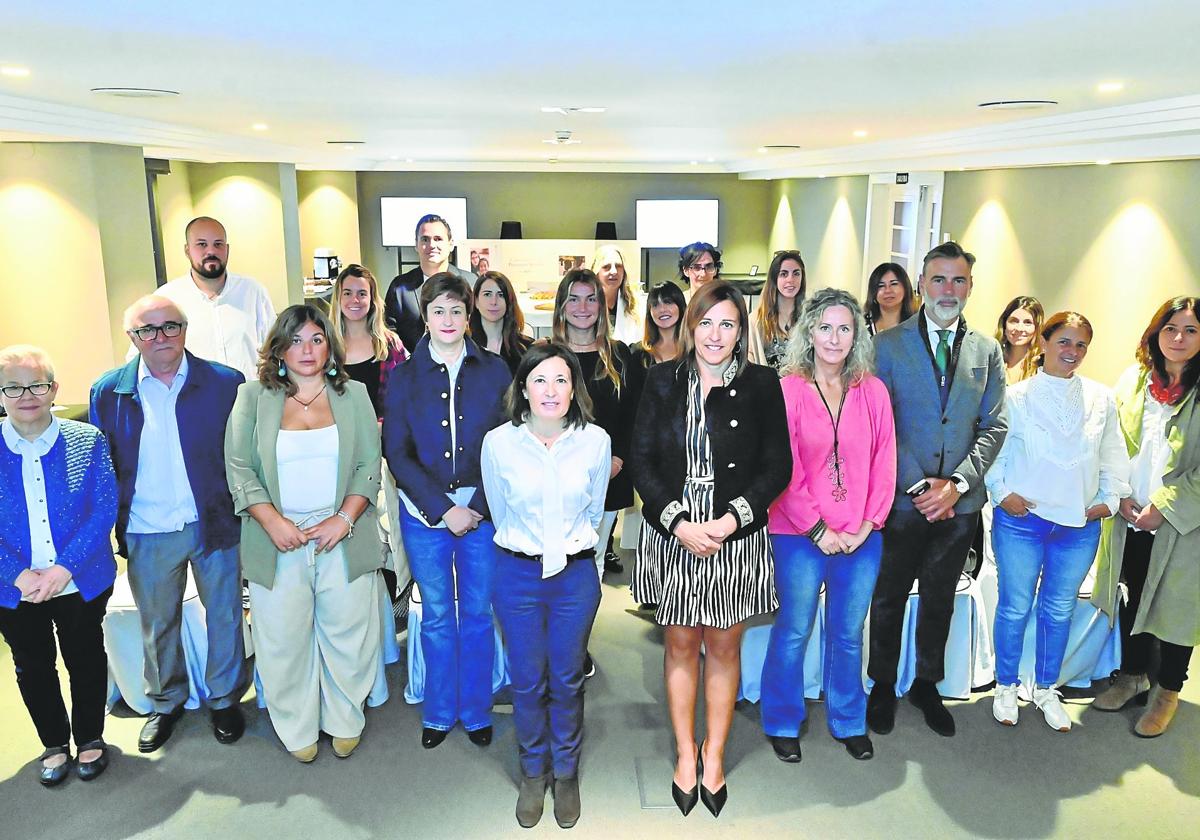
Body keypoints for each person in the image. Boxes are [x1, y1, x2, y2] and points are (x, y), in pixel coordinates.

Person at [631, 281, 791, 818]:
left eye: (727, 324)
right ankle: (683, 753)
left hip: (735, 536)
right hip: (675, 535)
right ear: (688, 326)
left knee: (723, 649)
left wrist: (730, 520)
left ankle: (714, 754)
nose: (715, 335)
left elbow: (777, 465)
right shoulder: (659, 382)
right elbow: (642, 460)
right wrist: (678, 522)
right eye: (706, 323)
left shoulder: (763, 384)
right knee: (679, 647)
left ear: (741, 330)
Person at [225, 305, 384, 762]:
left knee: (348, 631)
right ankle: (296, 725)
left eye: (316, 339)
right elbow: (239, 467)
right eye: (295, 340)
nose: (307, 350)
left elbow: (367, 464)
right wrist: (273, 522)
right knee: (282, 635)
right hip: (276, 537)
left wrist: (345, 519)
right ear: (278, 348)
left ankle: (344, 717)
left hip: (342, 532)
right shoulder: (253, 397)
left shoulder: (353, 394)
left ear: (330, 346)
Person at [91, 295, 248, 754]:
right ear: (132, 338)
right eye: (148, 330)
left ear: (185, 328)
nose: (160, 338)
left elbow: (241, 454)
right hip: (147, 526)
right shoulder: (109, 391)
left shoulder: (224, 383)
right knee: (158, 624)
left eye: (170, 327)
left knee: (224, 616)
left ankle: (224, 700)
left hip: (213, 520)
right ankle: (166, 703)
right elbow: (106, 464)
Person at [865, 241, 1007, 738]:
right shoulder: (886, 346)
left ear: (971, 286)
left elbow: (994, 426)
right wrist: (923, 485)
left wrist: (958, 485)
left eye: (959, 280)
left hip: (961, 505)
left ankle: (927, 682)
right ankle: (881, 683)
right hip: (904, 500)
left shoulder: (987, 351)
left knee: (941, 598)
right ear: (922, 284)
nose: (949, 289)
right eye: (939, 279)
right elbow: (880, 426)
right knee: (889, 596)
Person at [760, 289, 896, 763]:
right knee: (795, 628)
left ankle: (848, 719)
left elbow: (885, 463)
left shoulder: (873, 391)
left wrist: (866, 524)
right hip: (798, 533)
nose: (834, 338)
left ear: (856, 334)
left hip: (861, 535)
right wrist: (819, 529)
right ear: (809, 332)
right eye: (825, 327)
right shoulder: (788, 389)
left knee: (847, 631)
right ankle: (781, 718)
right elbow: (783, 468)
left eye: (844, 328)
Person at [481, 343, 611, 829]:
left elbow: (595, 511)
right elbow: (498, 506)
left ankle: (568, 771)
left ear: (574, 388)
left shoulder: (595, 441)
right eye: (540, 379)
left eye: (561, 379)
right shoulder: (499, 443)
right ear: (523, 388)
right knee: (528, 680)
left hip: (574, 577)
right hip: (516, 575)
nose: (551, 390)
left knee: (567, 678)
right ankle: (535, 772)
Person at [383, 272, 511, 749]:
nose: (449, 319)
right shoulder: (403, 376)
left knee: (477, 614)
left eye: (457, 310)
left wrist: (475, 506)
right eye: (439, 311)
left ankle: (476, 709)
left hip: (481, 515)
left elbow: (506, 447)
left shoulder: (496, 371)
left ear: (469, 314)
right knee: (436, 615)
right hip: (425, 517)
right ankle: (439, 711)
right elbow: (397, 453)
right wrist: (442, 510)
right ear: (426, 315)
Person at [985, 311, 1128, 731]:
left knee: (1059, 609)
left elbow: (1113, 454)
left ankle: (1047, 688)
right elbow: (995, 451)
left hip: (1078, 526)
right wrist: (1002, 493)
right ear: (1043, 343)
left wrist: (1109, 500)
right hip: (1022, 521)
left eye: (1081, 344)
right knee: (1014, 607)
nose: (1073, 352)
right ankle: (1006, 686)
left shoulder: (1100, 398)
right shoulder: (1017, 396)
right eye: (1064, 341)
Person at [0, 345, 117, 785]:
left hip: (80, 578)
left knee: (85, 656)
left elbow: (103, 509)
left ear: (54, 390)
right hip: (13, 586)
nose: (26, 395)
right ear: (0, 394)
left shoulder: (87, 440)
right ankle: (53, 742)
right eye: (13, 386)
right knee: (32, 665)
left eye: (37, 384)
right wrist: (19, 575)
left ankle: (90, 737)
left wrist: (61, 569)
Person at [1092, 296, 1200, 738]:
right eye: (1171, 328)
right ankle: (1134, 674)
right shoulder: (1135, 381)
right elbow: (1109, 440)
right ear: (1156, 332)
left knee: (1177, 604)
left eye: (1191, 330)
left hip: (1182, 521)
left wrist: (1166, 507)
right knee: (1129, 593)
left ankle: (1168, 690)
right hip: (1129, 512)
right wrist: (1118, 494)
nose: (1179, 338)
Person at [551, 269, 641, 585]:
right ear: (562, 305)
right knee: (555, 564)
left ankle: (580, 633)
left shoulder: (620, 355)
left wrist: (617, 460)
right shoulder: (547, 355)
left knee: (594, 562)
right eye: (573, 299)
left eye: (591, 299)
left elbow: (633, 415)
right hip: (556, 479)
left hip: (609, 476)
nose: (583, 307)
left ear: (602, 305)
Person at [328, 264, 410, 611]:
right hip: (336, 451)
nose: (355, 300)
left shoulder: (388, 344)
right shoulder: (325, 344)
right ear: (338, 298)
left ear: (373, 299)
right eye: (347, 292)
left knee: (385, 528)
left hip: (382, 450)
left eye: (362, 293)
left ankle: (392, 603)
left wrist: (379, 426)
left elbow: (404, 398)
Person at [146, 216, 276, 380]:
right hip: (192, 401)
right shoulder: (166, 299)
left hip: (248, 399)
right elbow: (143, 358)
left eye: (218, 244)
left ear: (227, 249)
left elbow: (275, 350)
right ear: (187, 250)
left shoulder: (253, 292)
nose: (211, 251)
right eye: (201, 244)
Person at [383, 214, 476, 354]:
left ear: (451, 244)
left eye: (438, 239)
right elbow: (389, 333)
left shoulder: (471, 282)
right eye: (425, 239)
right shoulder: (400, 288)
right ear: (416, 244)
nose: (432, 245)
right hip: (415, 371)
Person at [748, 249, 806, 370]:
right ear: (774, 279)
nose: (790, 280)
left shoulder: (809, 318)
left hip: (801, 387)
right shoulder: (756, 320)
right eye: (783, 274)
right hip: (767, 387)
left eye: (796, 273)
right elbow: (749, 361)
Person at [469, 270, 534, 375]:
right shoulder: (463, 347)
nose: (494, 302)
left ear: (509, 301)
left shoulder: (526, 349)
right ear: (476, 301)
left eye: (500, 295)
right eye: (487, 294)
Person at [591, 245, 643, 344]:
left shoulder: (637, 307)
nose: (614, 271)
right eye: (606, 267)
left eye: (618, 266)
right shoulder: (587, 306)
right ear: (596, 272)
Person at [631, 281, 687, 369]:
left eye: (668, 303)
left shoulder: (695, 348)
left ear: (680, 306)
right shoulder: (639, 353)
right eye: (655, 305)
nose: (662, 310)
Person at [996, 295, 1045, 384]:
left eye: (1028, 323)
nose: (1019, 328)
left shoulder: (1043, 365)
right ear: (1004, 324)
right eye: (1014, 321)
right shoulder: (991, 359)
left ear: (1037, 328)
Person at [864, 262, 916, 335]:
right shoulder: (860, 324)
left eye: (894, 284)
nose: (888, 290)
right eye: (881, 286)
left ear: (905, 288)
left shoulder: (918, 324)